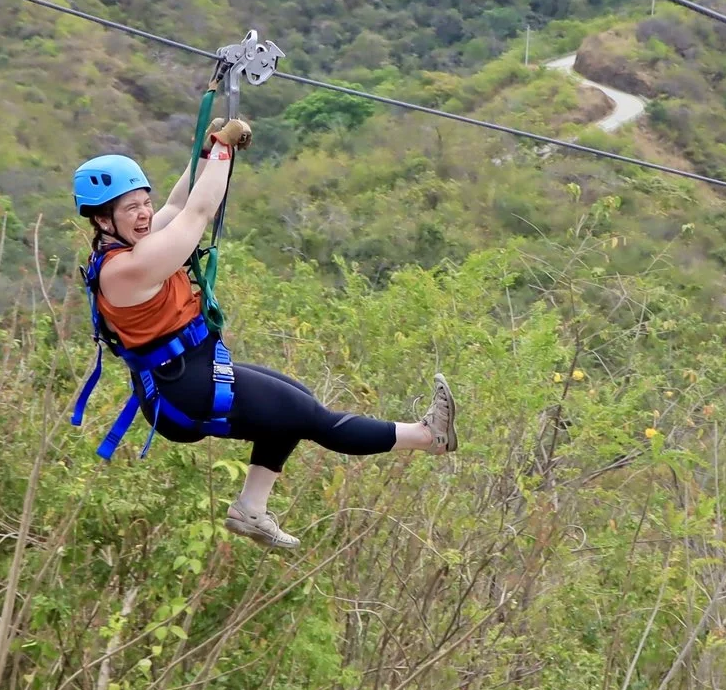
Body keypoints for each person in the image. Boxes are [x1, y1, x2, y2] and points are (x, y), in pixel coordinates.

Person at [72, 117, 457, 548]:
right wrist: (222, 151)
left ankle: (250, 509)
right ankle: (427, 437)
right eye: (131, 208)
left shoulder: (128, 247)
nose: (144, 214)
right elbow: (198, 213)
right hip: (181, 387)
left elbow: (179, 206)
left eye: (145, 202)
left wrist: (205, 154)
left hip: (187, 372)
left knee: (293, 402)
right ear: (103, 220)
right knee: (310, 417)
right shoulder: (127, 269)